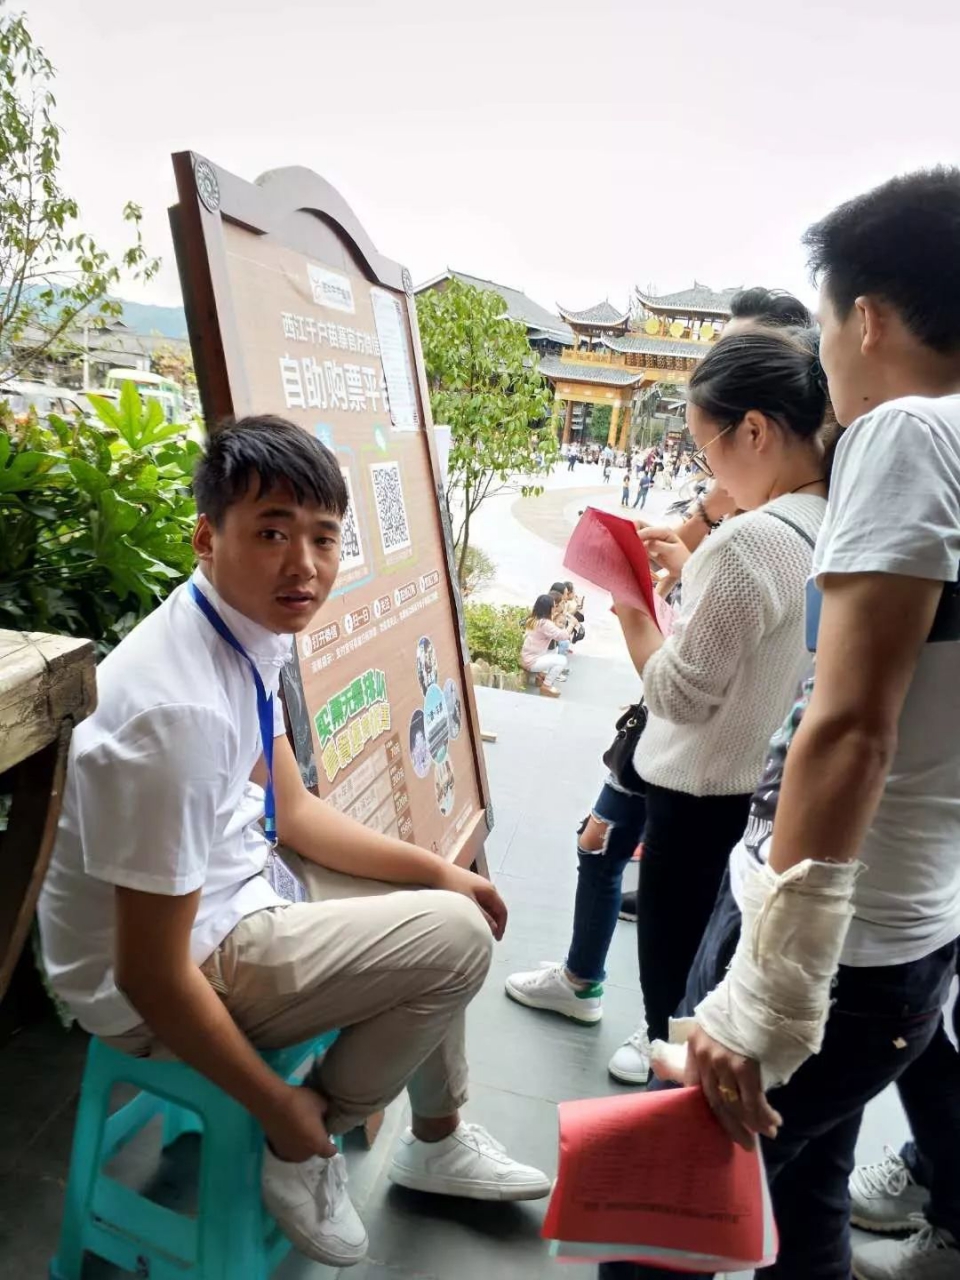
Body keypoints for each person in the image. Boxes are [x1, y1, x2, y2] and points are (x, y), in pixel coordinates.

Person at [37, 415, 551, 1272]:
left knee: (437, 900)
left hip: (229, 897)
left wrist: (439, 871)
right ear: (208, 538)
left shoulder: (240, 629)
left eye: (322, 537)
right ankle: (301, 1147)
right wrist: (279, 1109)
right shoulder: (179, 713)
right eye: (271, 533)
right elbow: (149, 974)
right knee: (456, 940)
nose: (303, 564)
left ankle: (436, 1137)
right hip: (156, 978)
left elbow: (296, 811)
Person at [609, 168, 960, 1280]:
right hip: (916, 929)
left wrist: (770, 990)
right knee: (804, 1200)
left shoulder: (909, 431)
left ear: (869, 318)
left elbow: (849, 726)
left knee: (656, 1209)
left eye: (827, 324)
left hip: (835, 938)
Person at [505, 330, 828, 1075]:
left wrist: (630, 609)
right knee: (709, 986)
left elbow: (680, 695)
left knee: (672, 998)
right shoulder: (829, 521)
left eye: (706, 446)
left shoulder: (747, 543)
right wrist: (691, 569)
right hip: (761, 796)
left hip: (699, 798)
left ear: (754, 431)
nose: (707, 469)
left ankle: (666, 1118)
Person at [520, 593, 571, 697]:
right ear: (549, 608)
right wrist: (572, 624)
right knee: (562, 660)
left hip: (525, 658)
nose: (555, 608)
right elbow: (562, 636)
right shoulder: (545, 623)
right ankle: (546, 686)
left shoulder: (533, 619)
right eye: (554, 606)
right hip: (532, 662)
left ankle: (540, 676)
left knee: (552, 650)